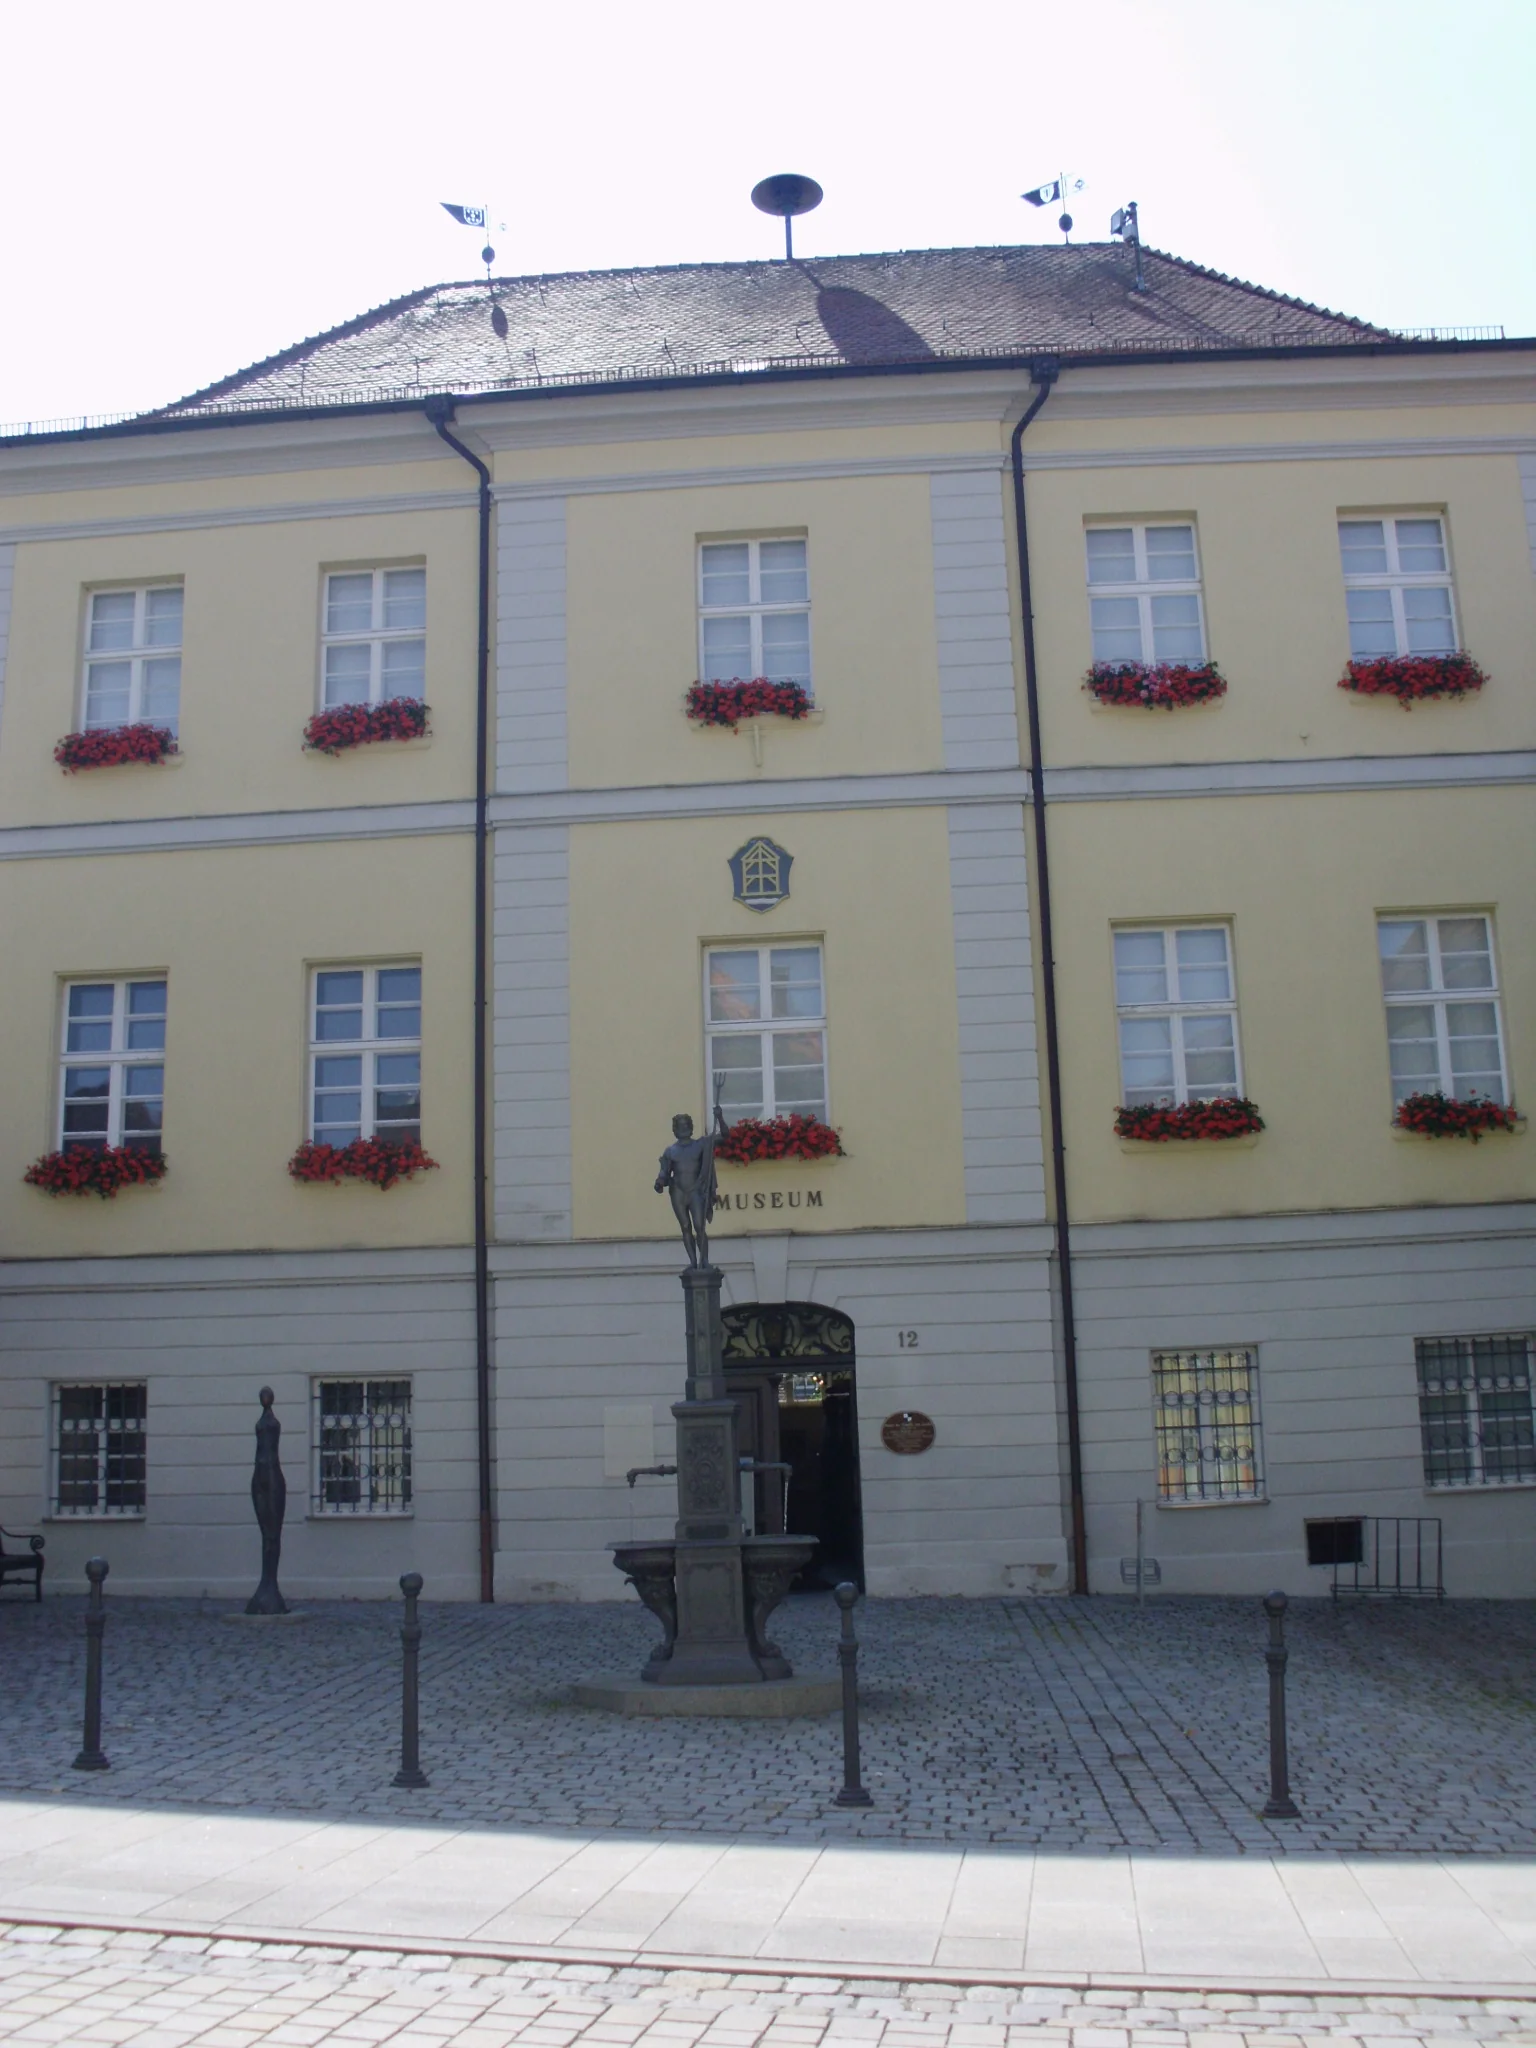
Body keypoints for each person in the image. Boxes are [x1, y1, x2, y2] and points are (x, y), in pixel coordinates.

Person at [654, 1103, 728, 1267]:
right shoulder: (670, 1151)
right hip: (678, 1191)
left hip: (695, 1190)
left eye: (686, 1125)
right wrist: (659, 1182)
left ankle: (704, 1261)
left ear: (691, 1127)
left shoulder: (701, 1144)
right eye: (680, 1126)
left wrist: (720, 1117)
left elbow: (724, 1136)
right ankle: (693, 1262)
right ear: (675, 1129)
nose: (684, 1128)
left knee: (699, 1226)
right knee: (685, 1226)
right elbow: (664, 1172)